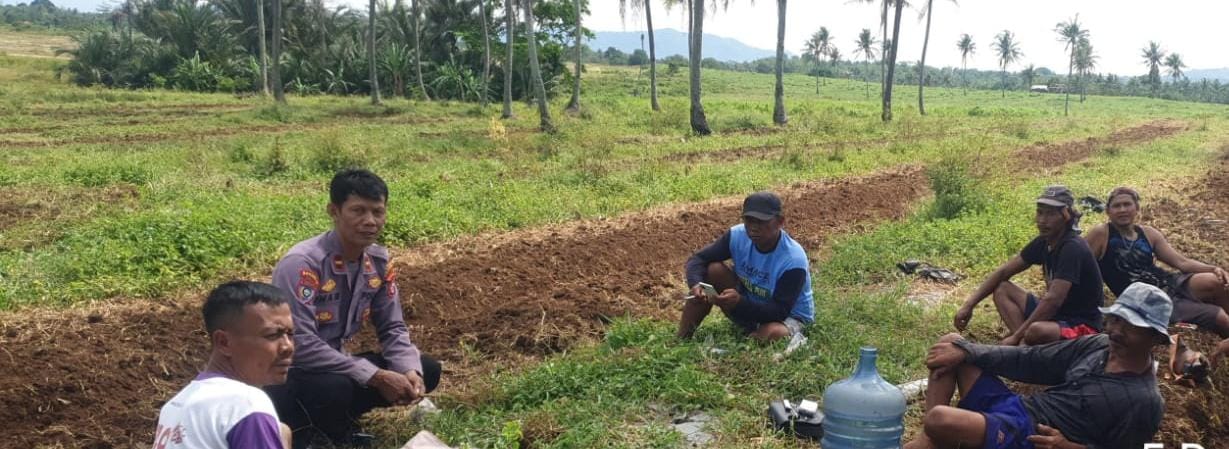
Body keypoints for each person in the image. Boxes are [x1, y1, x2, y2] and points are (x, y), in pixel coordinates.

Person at [266, 169, 442, 449]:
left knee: (428, 368)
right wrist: (376, 376)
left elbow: (392, 327)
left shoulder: (378, 263)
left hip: (335, 367)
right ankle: (312, 433)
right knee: (335, 387)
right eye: (358, 211)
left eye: (377, 211)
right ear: (334, 211)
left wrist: (409, 371)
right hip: (290, 373)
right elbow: (300, 344)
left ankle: (339, 420)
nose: (370, 221)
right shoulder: (303, 264)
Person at [905, 282, 1171, 449]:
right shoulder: (1098, 345)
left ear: (1155, 339)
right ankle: (927, 441)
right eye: (1116, 320)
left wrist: (1068, 446)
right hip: (1019, 407)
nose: (1116, 331)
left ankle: (932, 437)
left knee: (940, 419)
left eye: (1131, 327)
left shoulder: (1144, 400)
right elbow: (1031, 360)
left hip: (1031, 435)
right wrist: (968, 350)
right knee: (952, 344)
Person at [954, 186, 1104, 346]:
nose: (1042, 220)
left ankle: (1022, 344)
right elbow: (1003, 271)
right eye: (1040, 213)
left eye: (1050, 214)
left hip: (1081, 324)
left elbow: (1053, 300)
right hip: (1056, 316)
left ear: (1066, 215)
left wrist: (1017, 336)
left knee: (1036, 331)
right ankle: (1024, 346)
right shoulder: (1044, 242)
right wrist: (969, 305)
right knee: (1002, 289)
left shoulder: (1072, 247)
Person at [154, 281, 295, 449]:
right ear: (224, 342)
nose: (288, 347)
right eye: (272, 335)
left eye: (290, 334)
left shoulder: (174, 407)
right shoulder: (245, 404)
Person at [1083, 186, 1229, 337]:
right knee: (1220, 317)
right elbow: (1080, 264)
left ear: (1137, 208)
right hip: (1147, 300)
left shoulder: (1148, 233)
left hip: (1170, 282)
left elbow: (1181, 262)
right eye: (1116, 206)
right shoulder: (1101, 233)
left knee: (1217, 281)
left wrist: (1213, 269)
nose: (1122, 210)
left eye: (1127, 204)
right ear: (1108, 211)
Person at [678, 191, 814, 343]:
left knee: (773, 332)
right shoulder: (737, 236)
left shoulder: (793, 260)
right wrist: (695, 284)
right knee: (713, 270)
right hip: (750, 304)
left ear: (780, 222)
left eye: (761, 222)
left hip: (787, 316)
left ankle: (754, 336)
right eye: (749, 221)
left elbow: (779, 311)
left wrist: (740, 303)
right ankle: (681, 339)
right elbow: (698, 259)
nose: (753, 228)